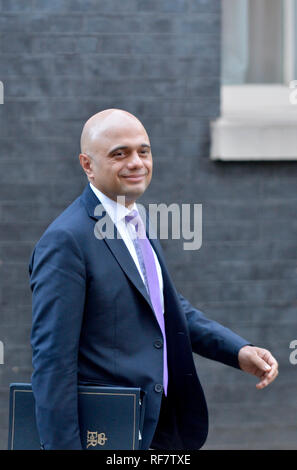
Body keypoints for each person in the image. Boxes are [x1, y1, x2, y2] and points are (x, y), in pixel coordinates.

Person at [29, 109, 278, 450]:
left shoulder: (136, 218)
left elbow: (167, 308)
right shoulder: (67, 240)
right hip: (107, 430)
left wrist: (237, 350)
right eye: (120, 153)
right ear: (87, 165)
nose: (136, 163)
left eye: (143, 151)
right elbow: (53, 362)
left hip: (157, 425)